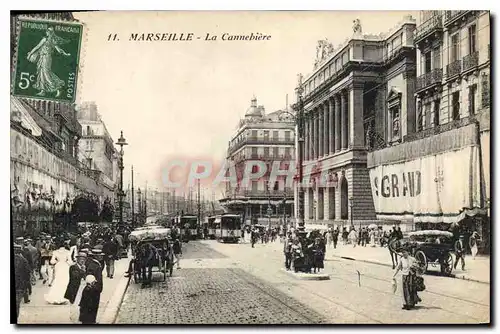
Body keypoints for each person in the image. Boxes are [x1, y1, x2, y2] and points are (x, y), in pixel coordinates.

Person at [44, 240, 72, 305]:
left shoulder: (55, 252)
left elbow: (52, 261)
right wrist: (66, 262)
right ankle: (62, 297)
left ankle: (54, 296)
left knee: (57, 281)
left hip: (58, 266)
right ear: (64, 245)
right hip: (65, 267)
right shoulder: (68, 252)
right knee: (64, 282)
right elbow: (70, 262)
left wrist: (57, 262)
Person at [14, 243, 31, 319]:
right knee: (17, 304)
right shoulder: (23, 260)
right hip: (19, 286)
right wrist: (26, 285)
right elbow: (27, 273)